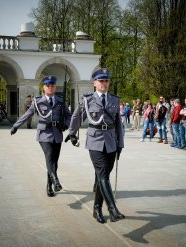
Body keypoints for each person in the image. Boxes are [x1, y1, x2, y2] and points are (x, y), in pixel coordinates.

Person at [66, 68, 125, 224]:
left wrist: (121, 143)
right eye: (101, 81)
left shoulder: (114, 100)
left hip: (111, 141)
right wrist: (72, 134)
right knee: (103, 175)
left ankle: (96, 208)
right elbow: (77, 117)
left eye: (106, 81)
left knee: (102, 177)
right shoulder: (88, 99)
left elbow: (119, 123)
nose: (104, 84)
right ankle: (113, 209)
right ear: (94, 83)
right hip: (95, 141)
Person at [10, 75, 71, 197]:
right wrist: (16, 125)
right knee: (49, 156)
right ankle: (56, 181)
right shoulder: (37, 101)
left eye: (52, 85)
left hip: (57, 133)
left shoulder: (60, 101)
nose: (50, 87)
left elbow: (69, 115)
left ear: (55, 87)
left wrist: (67, 125)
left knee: (55, 161)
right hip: (44, 134)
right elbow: (28, 114)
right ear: (44, 87)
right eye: (48, 85)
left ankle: (49, 185)